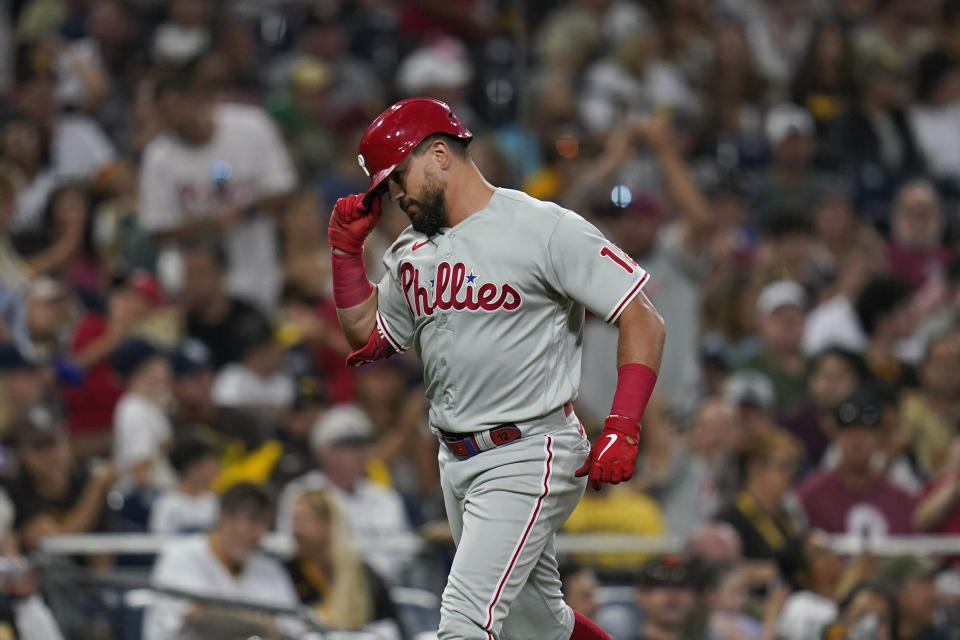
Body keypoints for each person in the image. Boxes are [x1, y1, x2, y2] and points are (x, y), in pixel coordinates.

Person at [329, 97, 665, 640]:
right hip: (456, 460)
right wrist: (347, 257)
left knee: (463, 621)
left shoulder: (543, 227)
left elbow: (643, 319)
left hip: (530, 450)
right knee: (537, 626)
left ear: (440, 154)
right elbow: (368, 336)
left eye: (397, 177)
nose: (394, 195)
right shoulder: (412, 250)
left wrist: (624, 424)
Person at [139, 70, 296, 312]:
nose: (174, 118)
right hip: (196, 267)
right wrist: (208, 223)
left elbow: (284, 188)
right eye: (165, 113)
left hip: (254, 253)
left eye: (176, 107)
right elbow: (157, 227)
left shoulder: (251, 125)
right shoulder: (158, 156)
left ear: (195, 99)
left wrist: (243, 211)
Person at [143, 482, 304, 640]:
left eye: (266, 524)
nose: (259, 533)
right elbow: (194, 618)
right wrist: (263, 624)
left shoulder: (270, 568)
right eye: (252, 520)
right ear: (224, 518)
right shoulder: (180, 555)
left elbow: (292, 628)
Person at [277, 404, 415, 584]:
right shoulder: (303, 493)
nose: (360, 453)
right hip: (324, 589)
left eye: (363, 445)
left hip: (386, 592)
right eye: (349, 446)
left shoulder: (386, 498)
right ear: (324, 452)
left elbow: (405, 558)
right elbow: (293, 550)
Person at [796, 386, 916, 536]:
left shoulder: (900, 500)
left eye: (866, 432)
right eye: (849, 431)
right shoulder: (812, 495)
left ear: (880, 438)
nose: (857, 440)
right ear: (836, 436)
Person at [286, 489, 403, 638]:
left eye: (303, 521)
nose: (295, 530)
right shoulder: (287, 571)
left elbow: (391, 626)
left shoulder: (363, 575)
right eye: (294, 521)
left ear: (328, 526)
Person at [148, 434, 220, 535]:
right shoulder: (167, 505)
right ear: (192, 468)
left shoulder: (215, 502)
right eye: (209, 464)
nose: (215, 469)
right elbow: (160, 542)